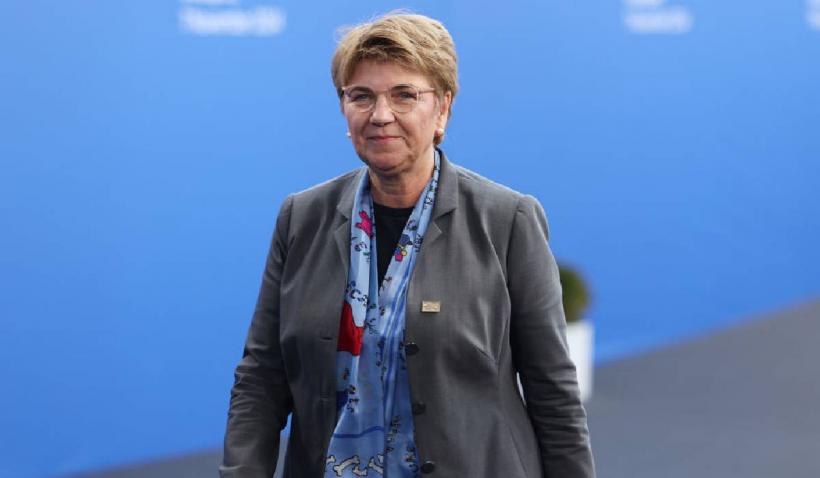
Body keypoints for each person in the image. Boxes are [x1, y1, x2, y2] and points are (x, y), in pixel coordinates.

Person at [220, 12, 595, 478]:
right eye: (361, 96)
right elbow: (261, 379)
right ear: (344, 109)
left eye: (404, 95)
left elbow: (552, 391)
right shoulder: (302, 217)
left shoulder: (507, 220)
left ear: (443, 109)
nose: (381, 115)